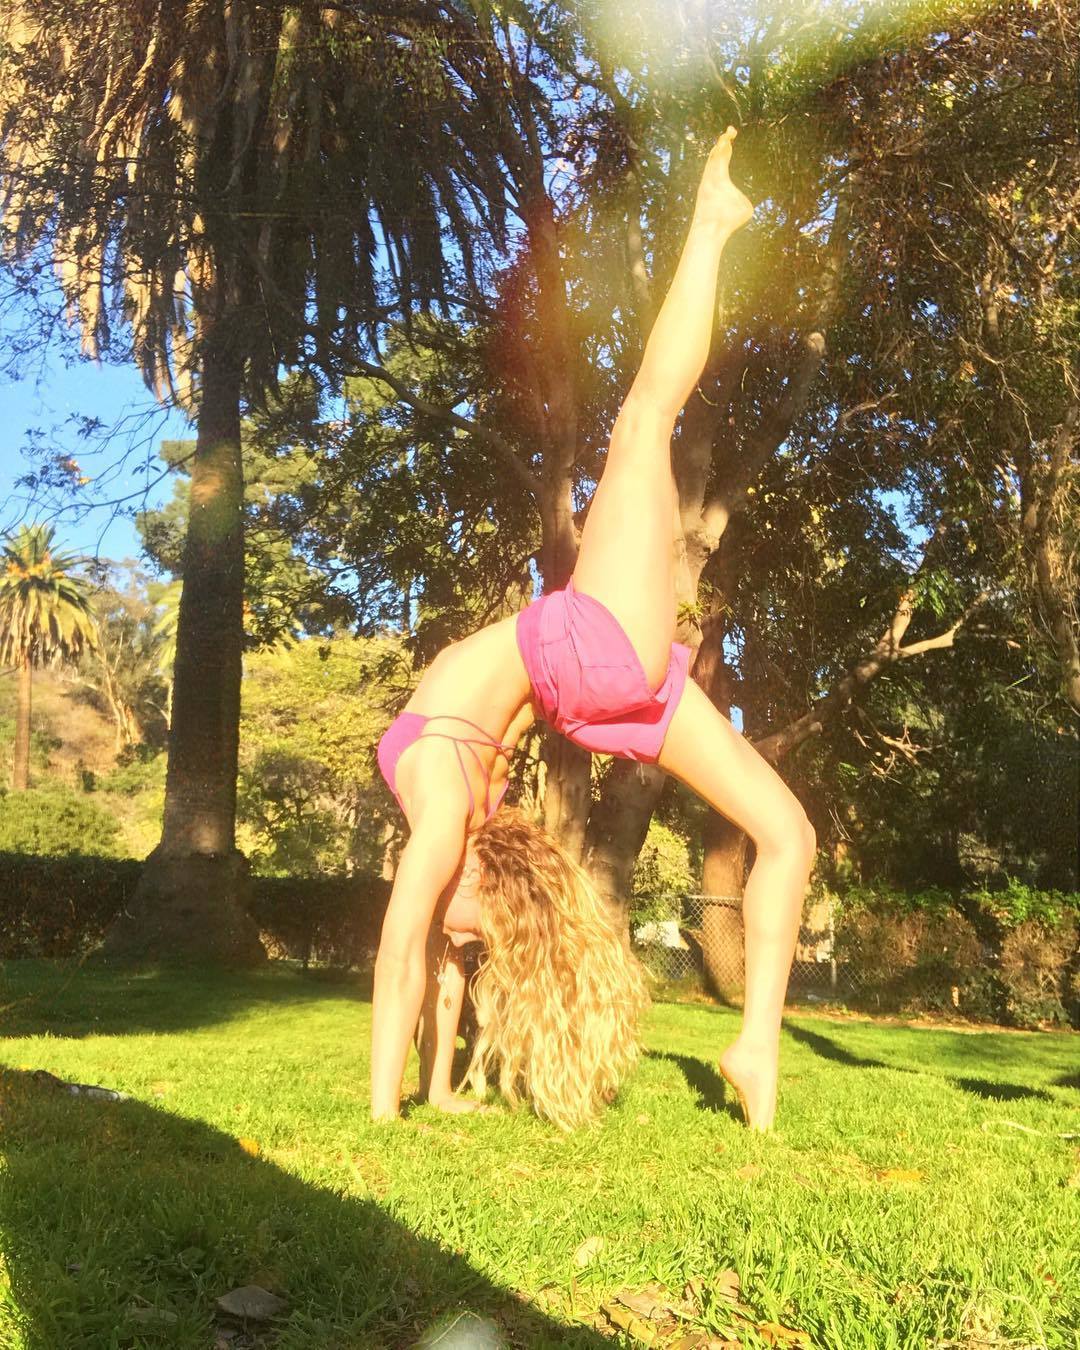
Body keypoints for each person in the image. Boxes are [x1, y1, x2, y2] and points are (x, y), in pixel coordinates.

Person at [371, 128, 816, 1132]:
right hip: (587, 660)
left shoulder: (446, 790)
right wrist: (384, 1112)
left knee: (789, 833)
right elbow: (408, 946)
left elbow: (427, 950)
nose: (456, 922)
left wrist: (429, 1089)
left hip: (606, 684)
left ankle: (756, 1046)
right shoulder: (442, 791)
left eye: (465, 924)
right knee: (645, 417)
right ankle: (711, 226)